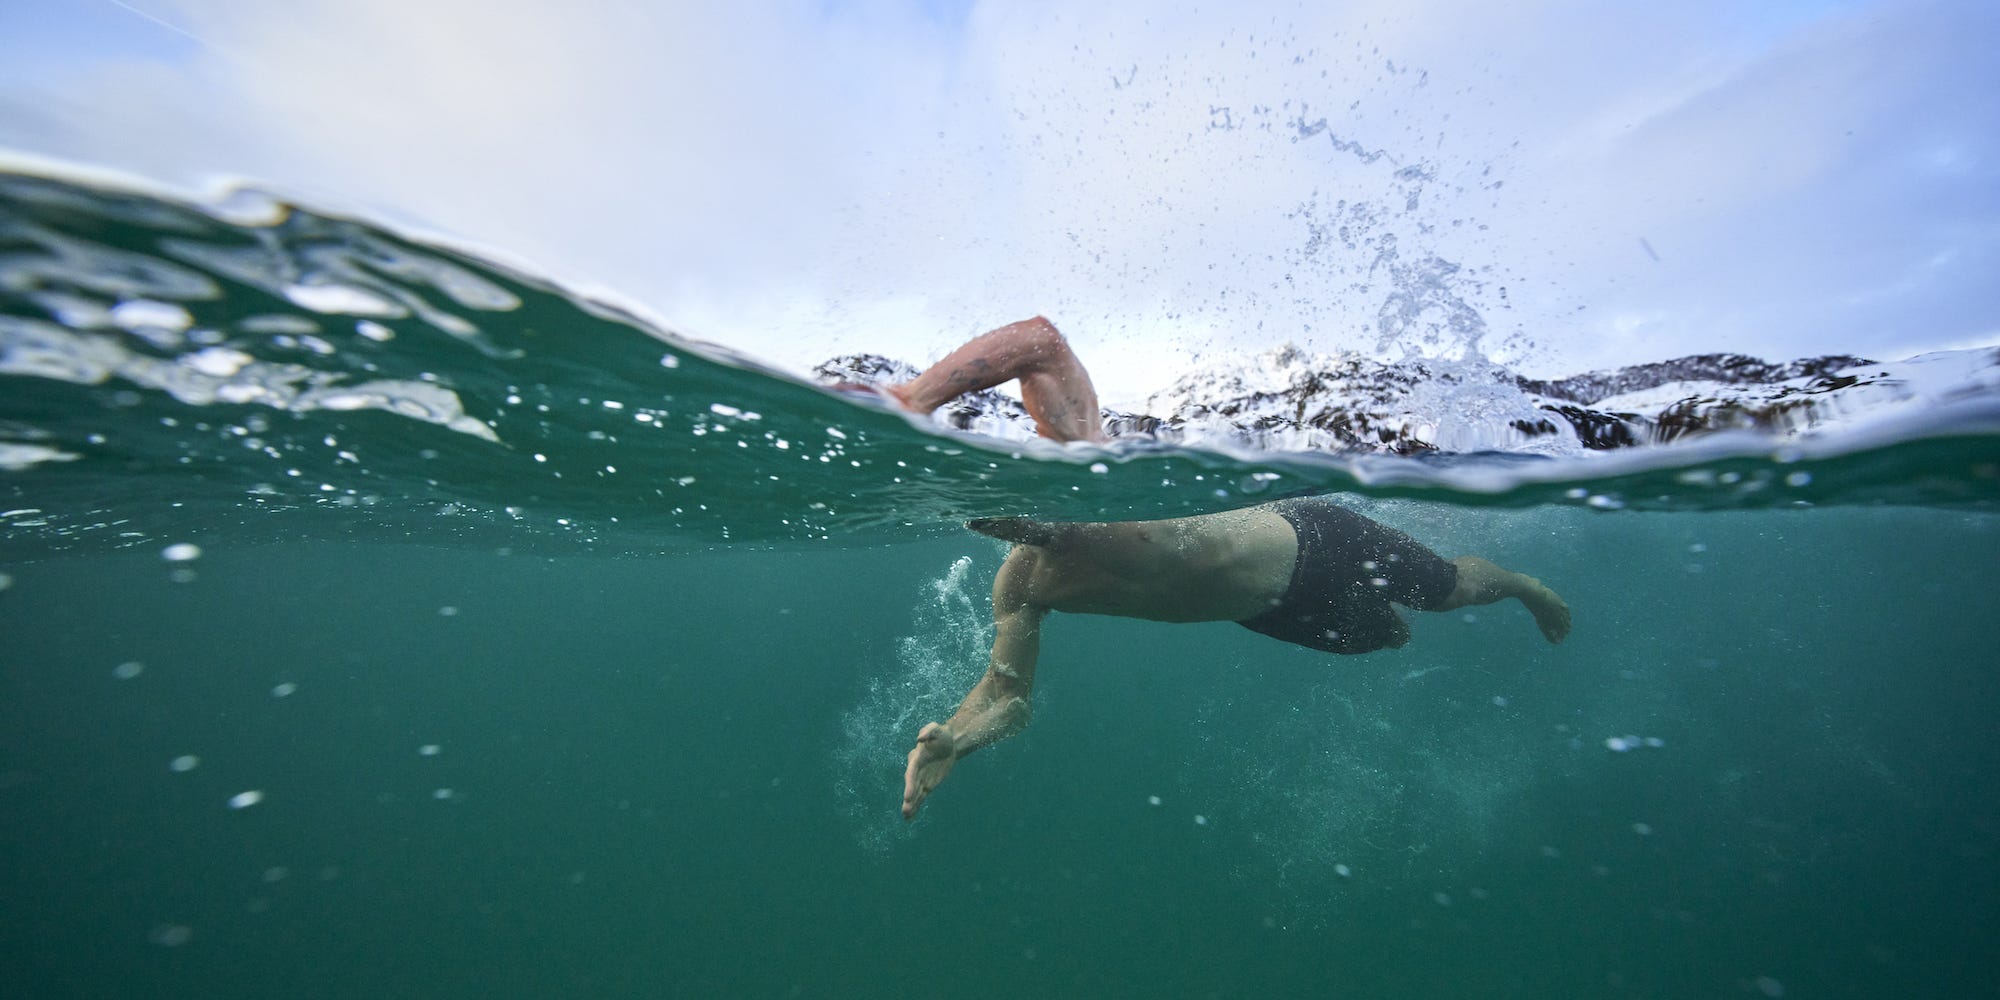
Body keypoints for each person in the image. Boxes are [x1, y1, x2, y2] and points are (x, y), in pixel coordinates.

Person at [871, 317, 1571, 820]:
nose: (1000, 517)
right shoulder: (1023, 584)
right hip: (1267, 607)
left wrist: (916, 399)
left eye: (1003, 498)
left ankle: (1519, 586)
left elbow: (1041, 342)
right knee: (1388, 638)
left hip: (1314, 538)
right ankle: (1409, 620)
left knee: (1444, 593)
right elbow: (1011, 697)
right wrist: (960, 741)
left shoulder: (1094, 465)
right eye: (983, 516)